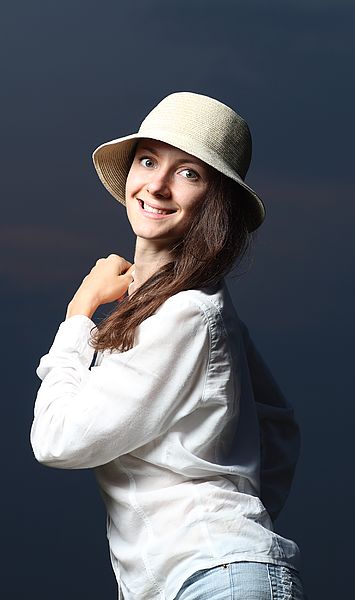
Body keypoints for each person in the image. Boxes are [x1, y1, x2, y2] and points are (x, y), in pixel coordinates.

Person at [30, 91, 307, 600]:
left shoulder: (187, 314)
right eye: (149, 160)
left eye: (188, 173)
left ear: (215, 198)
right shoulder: (197, 310)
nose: (156, 185)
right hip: (209, 577)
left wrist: (78, 315)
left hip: (215, 578)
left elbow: (57, 440)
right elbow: (279, 428)